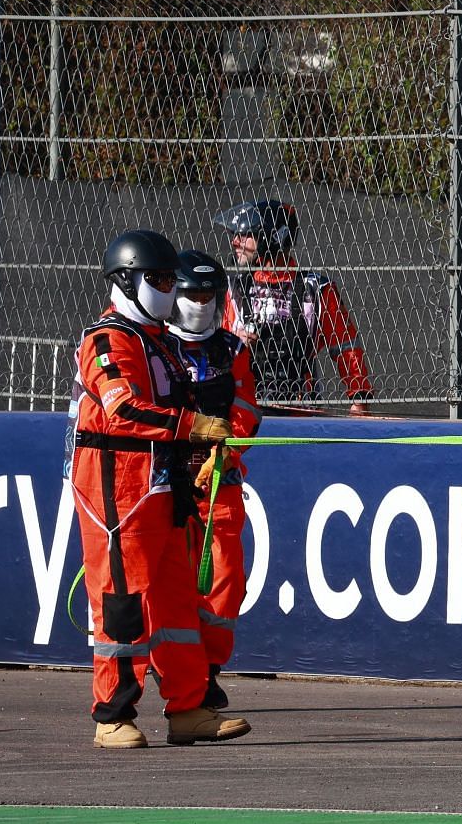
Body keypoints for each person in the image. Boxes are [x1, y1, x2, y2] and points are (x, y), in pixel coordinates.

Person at [69, 230, 250, 748]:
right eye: (161, 279)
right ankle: (113, 715)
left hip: (161, 484)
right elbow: (121, 408)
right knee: (122, 600)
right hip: (115, 487)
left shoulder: (158, 344)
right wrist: (192, 426)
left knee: (174, 597)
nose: (171, 290)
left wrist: (209, 434)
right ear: (128, 281)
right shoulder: (106, 340)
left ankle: (189, 706)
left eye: (174, 279)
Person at [167, 249, 262, 712]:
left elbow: (246, 408)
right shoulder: (155, 345)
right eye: (192, 294)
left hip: (219, 480)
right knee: (169, 579)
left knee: (227, 578)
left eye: (210, 295)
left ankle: (208, 670)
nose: (201, 303)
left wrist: (227, 449)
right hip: (164, 478)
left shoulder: (234, 350)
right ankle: (168, 667)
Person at [214, 199, 372, 412]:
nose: (235, 242)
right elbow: (215, 351)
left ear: (272, 238)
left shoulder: (316, 288)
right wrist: (235, 344)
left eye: (245, 235)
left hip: (301, 407)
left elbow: (346, 346)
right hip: (245, 405)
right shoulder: (235, 289)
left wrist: (359, 398)